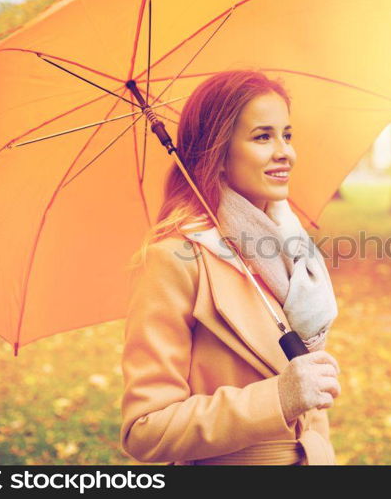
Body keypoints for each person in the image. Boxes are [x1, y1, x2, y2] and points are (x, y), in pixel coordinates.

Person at [119, 70, 341, 465]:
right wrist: (277, 398)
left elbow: (310, 400)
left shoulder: (291, 248)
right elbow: (146, 429)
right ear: (217, 152)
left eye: (287, 135)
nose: (285, 152)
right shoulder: (174, 259)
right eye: (263, 137)